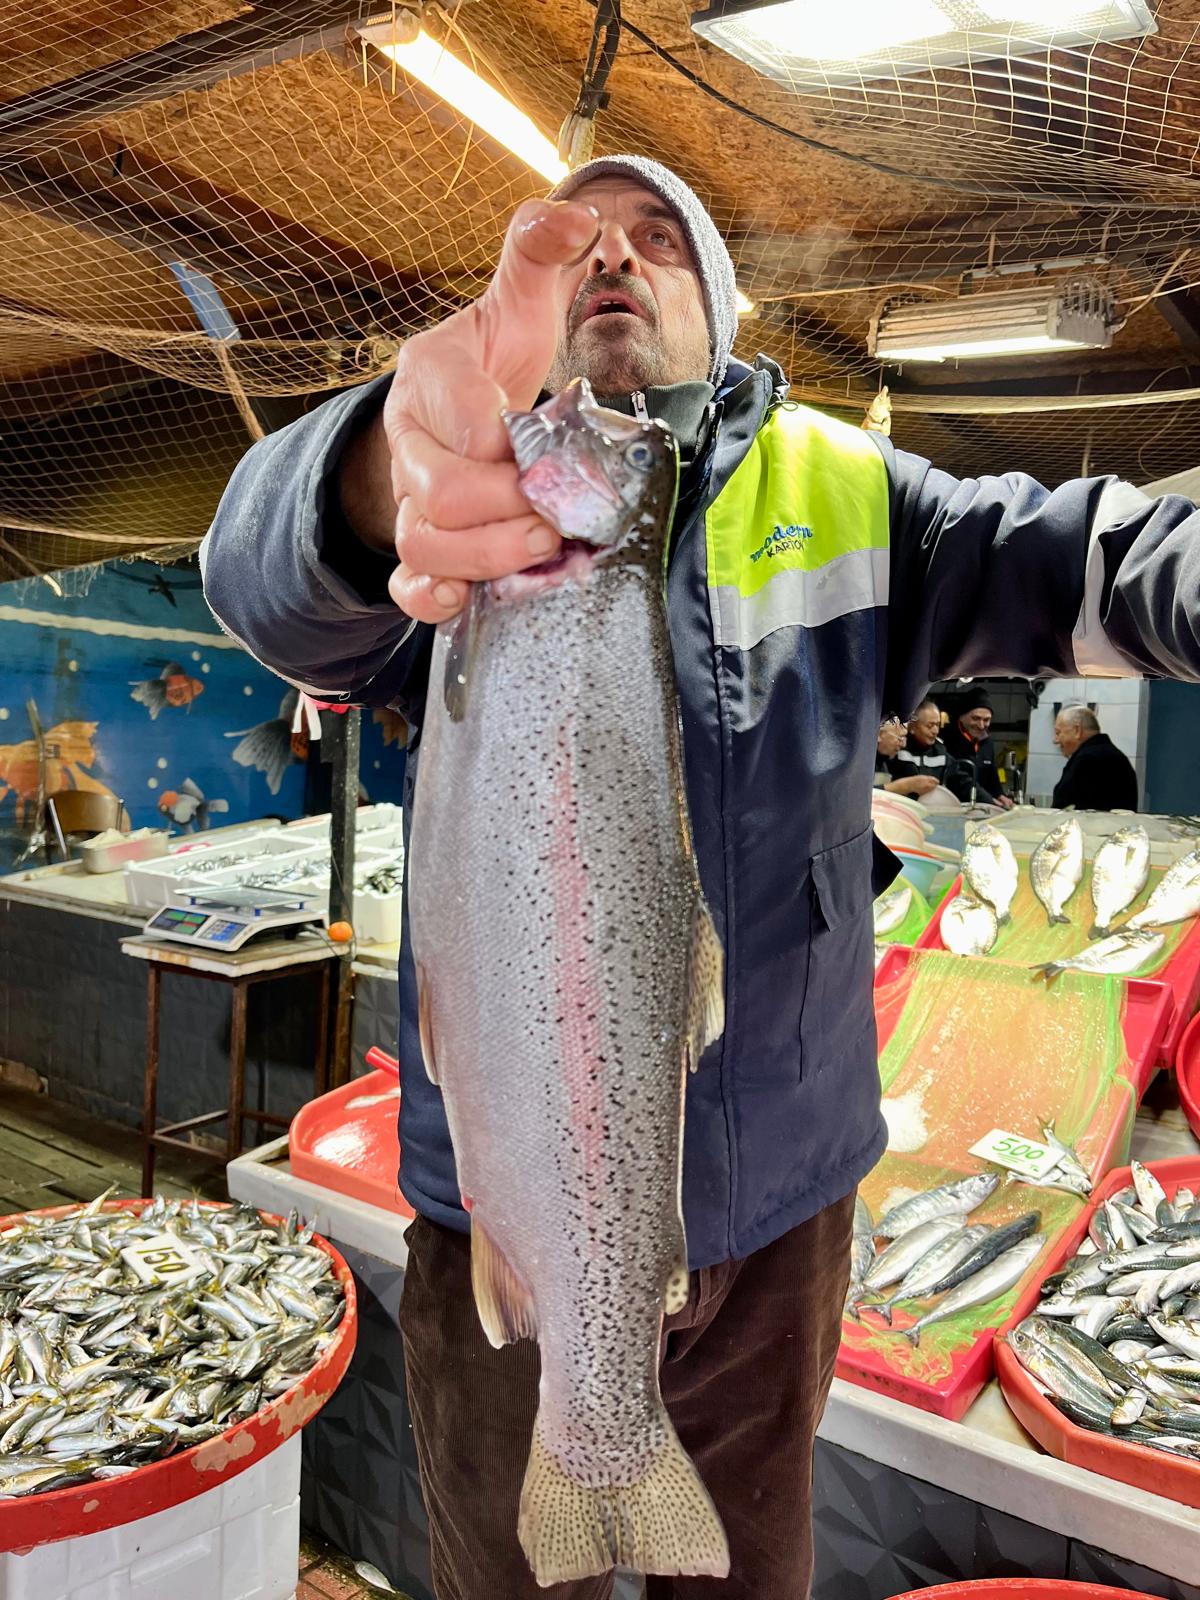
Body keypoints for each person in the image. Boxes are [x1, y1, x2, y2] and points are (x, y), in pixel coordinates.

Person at [201, 155, 1200, 1599]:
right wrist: (364, 476)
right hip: (501, 1204)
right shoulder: (466, 488)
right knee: (503, 1576)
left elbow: (1089, 560)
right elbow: (263, 583)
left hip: (780, 1204)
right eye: (582, 239)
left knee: (744, 1578)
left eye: (659, 237)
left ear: (719, 309)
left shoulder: (849, 486)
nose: (615, 253)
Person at [1052, 704, 1139, 810]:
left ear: (1077, 730)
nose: (1055, 740)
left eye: (1058, 732)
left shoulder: (1087, 761)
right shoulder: (1116, 756)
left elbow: (1062, 808)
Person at [889, 697, 974, 800]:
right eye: (930, 726)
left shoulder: (941, 753)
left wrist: (991, 801)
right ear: (912, 727)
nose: (935, 731)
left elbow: (964, 782)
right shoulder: (895, 750)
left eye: (937, 725)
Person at [943, 689, 1014, 808]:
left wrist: (1000, 795)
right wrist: (989, 801)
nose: (981, 725)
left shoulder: (988, 742)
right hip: (955, 808)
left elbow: (991, 774)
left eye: (986, 720)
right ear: (961, 717)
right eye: (975, 718)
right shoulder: (947, 741)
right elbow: (960, 781)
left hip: (982, 808)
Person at [874, 716, 938, 796]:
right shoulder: (860, 762)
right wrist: (903, 787)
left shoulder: (885, 761)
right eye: (900, 737)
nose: (903, 744)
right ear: (879, 735)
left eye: (905, 738)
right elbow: (858, 795)